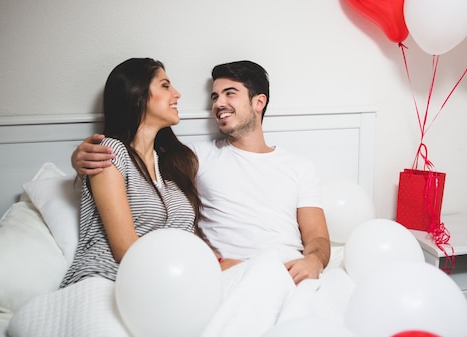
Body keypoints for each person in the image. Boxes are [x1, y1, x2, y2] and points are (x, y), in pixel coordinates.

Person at [72, 60, 330, 284]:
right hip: (220, 273)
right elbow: (128, 164)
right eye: (215, 97)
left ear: (258, 102)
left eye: (230, 94)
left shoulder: (299, 166)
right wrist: (78, 158)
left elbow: (317, 236)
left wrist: (314, 262)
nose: (219, 103)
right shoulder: (193, 157)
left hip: (284, 266)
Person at [60, 58, 201, 288]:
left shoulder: (173, 164)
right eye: (165, 85)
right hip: (107, 279)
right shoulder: (111, 152)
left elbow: (187, 240)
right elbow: (125, 250)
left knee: (258, 269)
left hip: (165, 283)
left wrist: (220, 262)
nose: (177, 94)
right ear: (137, 96)